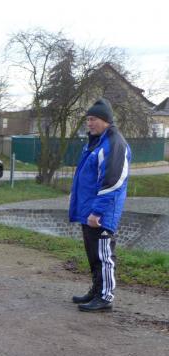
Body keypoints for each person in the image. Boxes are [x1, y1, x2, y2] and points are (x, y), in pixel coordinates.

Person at [69, 98, 131, 312]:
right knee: (93, 254)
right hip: (88, 209)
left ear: (106, 120)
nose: (89, 123)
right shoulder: (95, 142)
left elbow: (113, 181)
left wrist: (97, 211)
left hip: (102, 212)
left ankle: (105, 297)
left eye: (93, 119)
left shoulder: (114, 143)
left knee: (104, 255)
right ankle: (96, 290)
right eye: (88, 119)